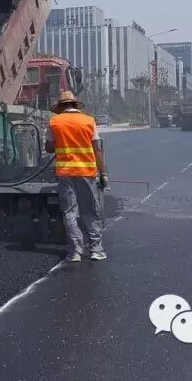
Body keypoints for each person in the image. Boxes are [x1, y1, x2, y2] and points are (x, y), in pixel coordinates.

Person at [48, 90, 108, 262]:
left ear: (61, 107)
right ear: (75, 104)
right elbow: (97, 149)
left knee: (69, 212)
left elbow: (48, 147)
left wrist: (61, 141)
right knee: (90, 210)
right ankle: (96, 250)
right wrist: (103, 173)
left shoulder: (54, 122)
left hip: (65, 173)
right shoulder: (88, 121)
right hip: (86, 172)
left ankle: (75, 252)